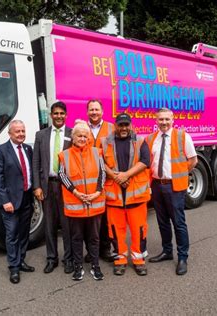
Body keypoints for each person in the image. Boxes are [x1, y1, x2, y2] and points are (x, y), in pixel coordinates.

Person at [146, 108, 198, 276]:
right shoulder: (151, 139)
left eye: (167, 119)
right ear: (156, 120)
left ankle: (182, 257)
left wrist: (179, 174)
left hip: (175, 187)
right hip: (157, 185)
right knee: (162, 221)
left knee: (178, 223)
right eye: (161, 119)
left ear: (173, 119)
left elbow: (193, 161)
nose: (164, 122)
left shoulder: (183, 136)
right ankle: (167, 251)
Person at [102, 113, 151, 276]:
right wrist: (117, 177)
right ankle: (120, 260)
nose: (123, 128)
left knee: (139, 230)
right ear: (115, 125)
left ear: (131, 125)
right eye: (120, 125)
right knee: (116, 231)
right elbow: (100, 164)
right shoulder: (105, 142)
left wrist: (126, 175)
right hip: (114, 196)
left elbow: (145, 161)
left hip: (135, 196)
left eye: (126, 125)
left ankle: (138, 260)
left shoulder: (141, 141)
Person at [58, 120, 106, 281]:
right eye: (79, 135)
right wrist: (76, 193)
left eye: (85, 136)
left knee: (94, 237)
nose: (82, 138)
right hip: (75, 204)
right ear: (73, 137)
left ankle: (95, 265)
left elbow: (103, 174)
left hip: (94, 202)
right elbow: (62, 175)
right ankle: (78, 267)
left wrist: (97, 193)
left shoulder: (96, 152)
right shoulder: (64, 155)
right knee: (76, 237)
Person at [0, 120, 35, 284]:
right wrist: (5, 201)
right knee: (12, 234)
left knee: (24, 233)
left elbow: (30, 172)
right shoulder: (0, 151)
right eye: (17, 131)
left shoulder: (28, 149)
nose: (21, 134)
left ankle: (21, 260)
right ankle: (14, 268)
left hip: (26, 198)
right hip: (10, 201)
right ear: (10, 133)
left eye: (23, 131)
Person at [32, 101, 74, 274]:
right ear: (51, 115)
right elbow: (36, 162)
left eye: (61, 113)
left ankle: (69, 259)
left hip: (66, 186)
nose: (58, 116)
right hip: (47, 185)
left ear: (66, 115)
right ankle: (51, 259)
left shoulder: (73, 134)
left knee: (67, 225)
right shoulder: (41, 135)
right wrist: (37, 186)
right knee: (49, 225)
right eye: (55, 113)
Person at [86, 99, 115, 262]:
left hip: (108, 179)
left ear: (102, 111)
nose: (94, 112)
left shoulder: (112, 128)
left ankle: (105, 249)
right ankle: (91, 251)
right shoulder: (82, 128)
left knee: (105, 217)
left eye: (96, 109)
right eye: (91, 110)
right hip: (89, 179)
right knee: (90, 218)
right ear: (87, 112)